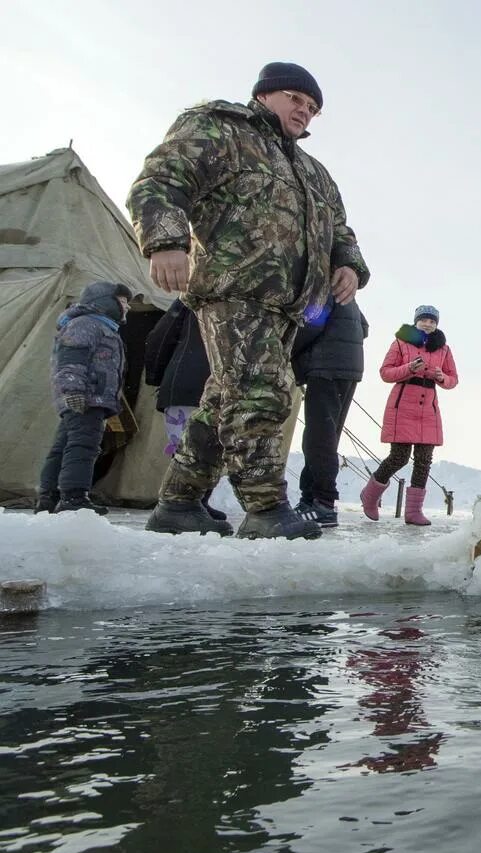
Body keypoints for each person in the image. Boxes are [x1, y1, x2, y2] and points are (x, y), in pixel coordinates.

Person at [128, 61, 369, 540]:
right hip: (233, 288)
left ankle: (178, 503)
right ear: (264, 95)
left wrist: (349, 264)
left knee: (221, 403)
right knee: (263, 394)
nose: (305, 111)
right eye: (296, 100)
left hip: (289, 305)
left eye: (313, 108)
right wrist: (166, 241)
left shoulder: (313, 172)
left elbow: (339, 229)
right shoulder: (221, 129)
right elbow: (162, 180)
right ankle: (266, 510)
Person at [36, 282, 133, 515]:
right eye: (122, 301)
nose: (127, 307)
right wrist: (74, 391)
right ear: (105, 301)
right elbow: (71, 359)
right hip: (87, 397)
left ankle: (49, 497)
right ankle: (74, 497)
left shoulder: (101, 327)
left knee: (64, 445)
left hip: (89, 396)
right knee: (84, 446)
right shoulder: (86, 325)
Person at [360, 306, 458, 526]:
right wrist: (409, 368)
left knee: (424, 460)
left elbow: (453, 379)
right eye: (423, 320)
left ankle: (414, 512)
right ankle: (369, 496)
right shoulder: (400, 343)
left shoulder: (444, 349)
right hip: (402, 405)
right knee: (399, 457)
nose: (428, 324)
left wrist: (442, 377)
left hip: (428, 408)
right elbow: (386, 372)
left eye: (432, 321)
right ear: (415, 322)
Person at [143, 298, 230, 525]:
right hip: (212, 382)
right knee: (208, 446)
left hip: (184, 382)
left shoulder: (189, 299)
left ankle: (194, 502)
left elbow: (159, 338)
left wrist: (157, 375)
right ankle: (184, 503)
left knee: (190, 447)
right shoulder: (247, 297)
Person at [291, 297, 368, 527]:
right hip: (346, 369)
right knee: (325, 436)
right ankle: (309, 500)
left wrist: (285, 348)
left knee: (318, 439)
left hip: (327, 368)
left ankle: (323, 504)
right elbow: (363, 327)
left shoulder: (324, 291)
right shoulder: (348, 295)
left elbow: (310, 326)